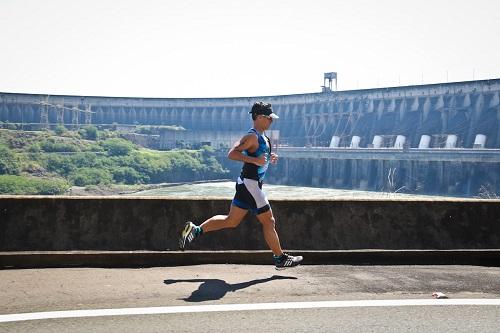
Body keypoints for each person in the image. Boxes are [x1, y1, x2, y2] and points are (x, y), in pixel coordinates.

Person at [178, 101, 303, 269]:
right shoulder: (251, 136)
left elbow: (259, 156)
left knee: (231, 221)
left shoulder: (263, 137)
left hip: (247, 185)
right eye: (268, 118)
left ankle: (195, 230)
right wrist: (255, 160)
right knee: (269, 221)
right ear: (258, 117)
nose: (271, 121)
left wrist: (268, 157)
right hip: (250, 186)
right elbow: (232, 154)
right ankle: (280, 258)